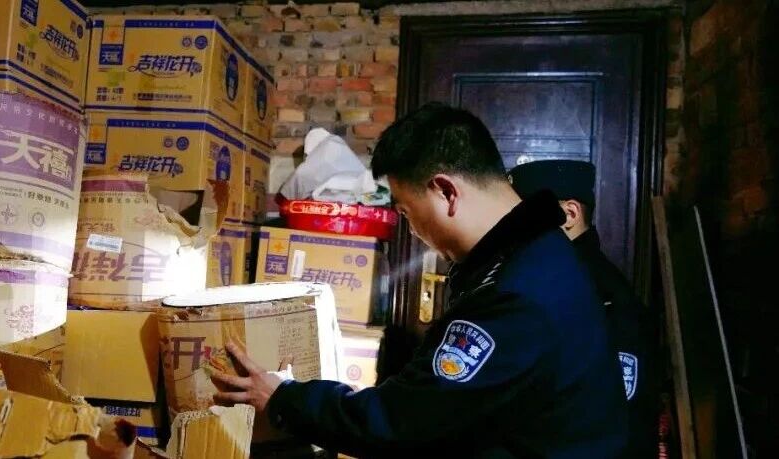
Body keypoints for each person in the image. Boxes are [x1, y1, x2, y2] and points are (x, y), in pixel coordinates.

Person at [210, 102, 628, 458]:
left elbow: (403, 422)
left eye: (407, 213)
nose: (412, 231)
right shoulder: (536, 251)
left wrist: (283, 399)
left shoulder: (516, 293)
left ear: (446, 192)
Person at [509, 159, 660, 458]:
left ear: (569, 214)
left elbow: (618, 413)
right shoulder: (548, 279)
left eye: (523, 216)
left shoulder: (600, 293)